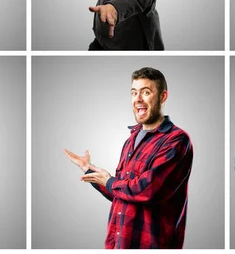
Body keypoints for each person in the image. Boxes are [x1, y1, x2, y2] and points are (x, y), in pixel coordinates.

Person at [64, 67, 193, 249]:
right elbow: (123, 193)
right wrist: (89, 170)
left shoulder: (176, 140)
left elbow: (147, 190)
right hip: (119, 243)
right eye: (134, 93)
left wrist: (109, 181)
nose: (138, 99)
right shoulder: (132, 139)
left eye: (146, 92)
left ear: (163, 97)